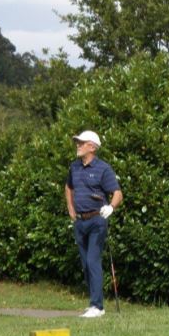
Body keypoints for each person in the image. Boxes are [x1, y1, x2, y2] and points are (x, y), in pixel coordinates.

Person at [64, 130, 123, 318]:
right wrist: (71, 209)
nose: (78, 146)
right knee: (85, 263)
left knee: (92, 261)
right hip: (80, 221)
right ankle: (94, 303)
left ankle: (97, 306)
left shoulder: (103, 168)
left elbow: (117, 193)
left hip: (97, 219)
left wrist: (111, 207)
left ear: (92, 147)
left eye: (81, 143)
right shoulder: (74, 167)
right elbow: (68, 187)